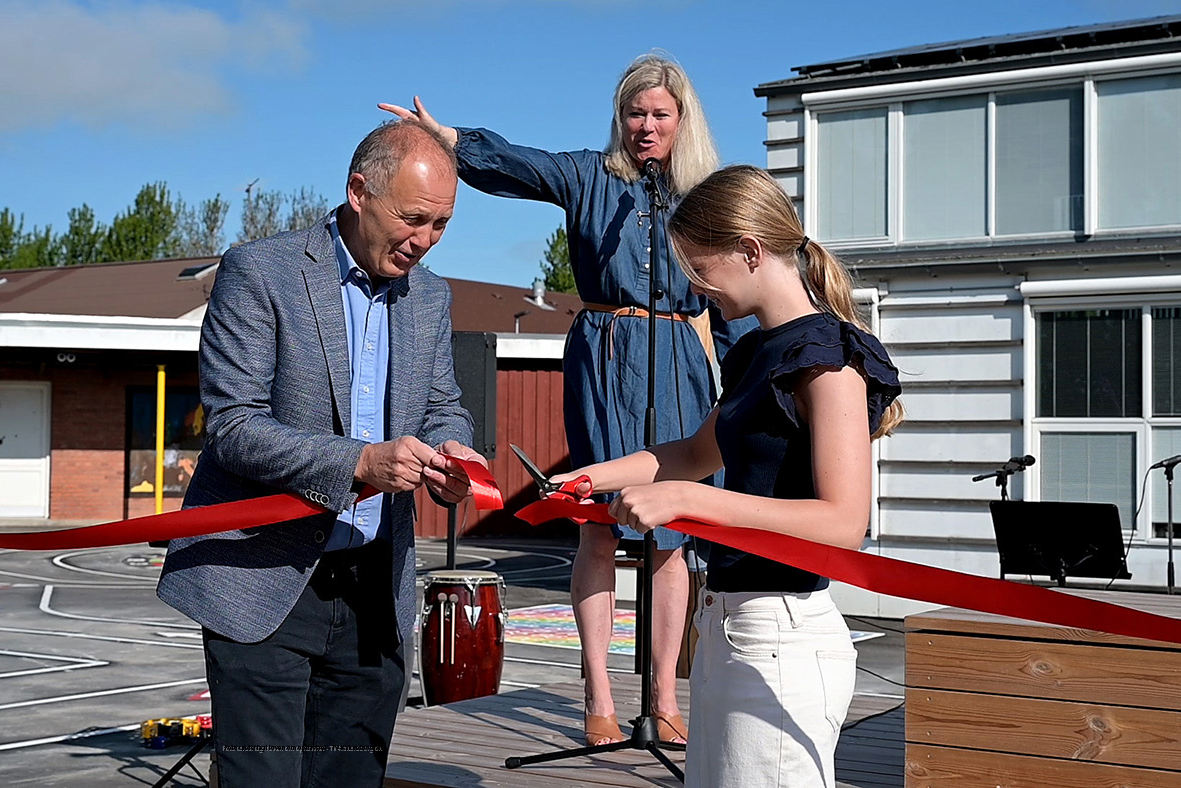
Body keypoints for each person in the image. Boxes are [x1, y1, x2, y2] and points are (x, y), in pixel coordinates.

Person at [381, 53, 752, 748]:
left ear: (682, 119)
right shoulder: (589, 174)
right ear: (621, 117)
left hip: (677, 356)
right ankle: (600, 694)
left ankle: (665, 694)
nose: (646, 126)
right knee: (599, 524)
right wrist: (450, 139)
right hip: (606, 356)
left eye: (660, 115)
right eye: (635, 113)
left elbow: (736, 295)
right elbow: (522, 166)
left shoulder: (707, 196)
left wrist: (750, 379)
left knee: (673, 534)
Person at [156, 120, 485, 788]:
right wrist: (359, 464)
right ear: (359, 191)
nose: (424, 242)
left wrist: (456, 453)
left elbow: (444, 404)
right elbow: (234, 426)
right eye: (414, 218)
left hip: (373, 590)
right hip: (263, 582)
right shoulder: (259, 272)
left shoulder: (431, 296)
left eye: (443, 225)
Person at [551, 165, 903, 788]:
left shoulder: (828, 356)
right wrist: (591, 477)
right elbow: (691, 453)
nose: (694, 288)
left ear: (748, 250)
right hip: (725, 628)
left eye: (699, 270)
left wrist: (693, 503)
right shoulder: (753, 351)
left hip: (782, 639)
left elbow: (845, 522)